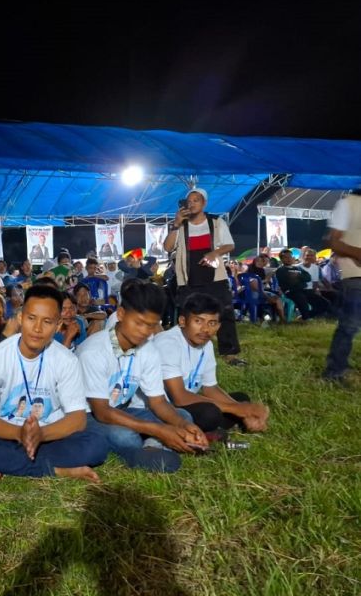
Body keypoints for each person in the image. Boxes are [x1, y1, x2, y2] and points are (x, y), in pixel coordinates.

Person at [0, 285, 108, 480]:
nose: (37, 329)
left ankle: (7, 462)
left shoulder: (66, 360)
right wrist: (20, 434)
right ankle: (57, 470)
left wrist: (42, 435)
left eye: (47, 321)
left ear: (57, 325)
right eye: (31, 318)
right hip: (7, 434)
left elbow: (77, 418)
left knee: (96, 445)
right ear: (20, 318)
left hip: (50, 435)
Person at [78, 280, 207, 472]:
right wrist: (159, 429)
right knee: (125, 437)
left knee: (183, 415)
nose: (145, 332)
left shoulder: (149, 350)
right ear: (120, 314)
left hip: (122, 410)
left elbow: (158, 402)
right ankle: (147, 446)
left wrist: (183, 425)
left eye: (152, 326)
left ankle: (151, 445)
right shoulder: (93, 351)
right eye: (139, 323)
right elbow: (102, 412)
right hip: (87, 414)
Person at [154, 293, 269, 433]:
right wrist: (236, 409)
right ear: (182, 321)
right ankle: (208, 430)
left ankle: (213, 430)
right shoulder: (168, 343)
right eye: (198, 321)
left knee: (240, 398)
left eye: (212, 323)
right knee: (210, 414)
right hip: (162, 406)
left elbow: (210, 388)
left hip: (187, 402)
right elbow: (179, 397)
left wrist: (244, 411)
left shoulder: (205, 344)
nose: (205, 329)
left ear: (219, 326)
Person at [164, 187, 243, 365]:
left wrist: (214, 253)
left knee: (224, 313)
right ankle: (186, 351)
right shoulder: (181, 225)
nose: (191, 204)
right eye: (189, 201)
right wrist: (175, 225)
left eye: (196, 200)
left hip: (215, 277)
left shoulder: (216, 222)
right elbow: (168, 248)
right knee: (188, 315)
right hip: (188, 277)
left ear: (204, 203)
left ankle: (230, 353)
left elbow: (229, 245)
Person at [323, 191, 361, 382]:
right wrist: (358, 253)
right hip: (356, 275)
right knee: (349, 326)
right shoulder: (349, 204)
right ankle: (334, 372)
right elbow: (333, 241)